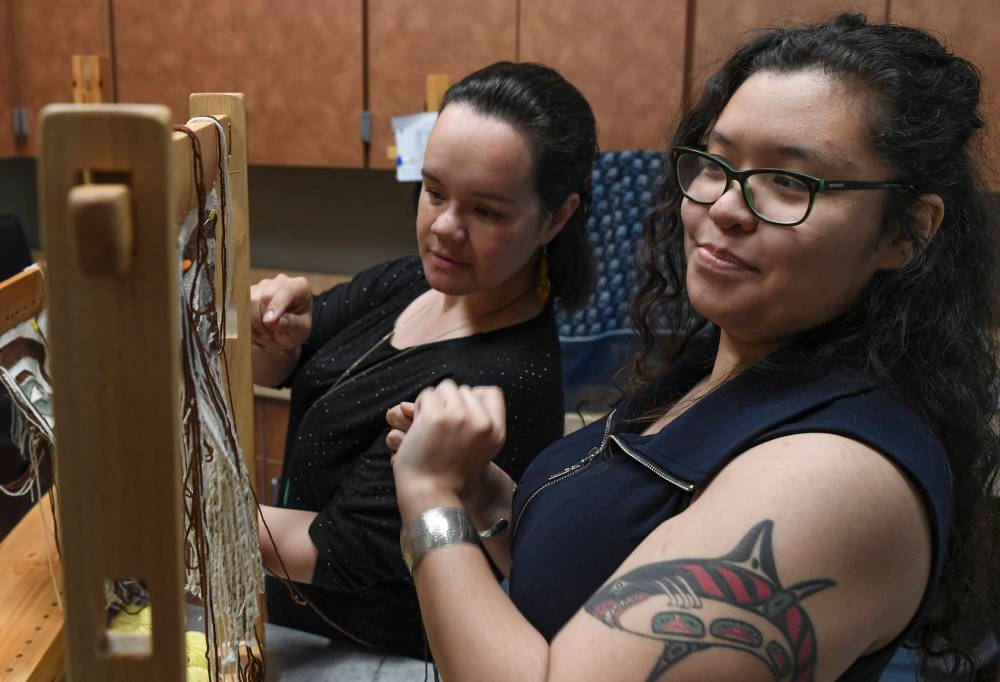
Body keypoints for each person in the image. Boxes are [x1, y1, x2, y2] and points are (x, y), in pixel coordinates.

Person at [386, 14, 1000, 681]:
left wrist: (430, 497)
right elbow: (595, 581)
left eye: (791, 182)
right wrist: (485, 499)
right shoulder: (723, 370)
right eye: (717, 162)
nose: (727, 206)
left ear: (905, 233)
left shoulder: (837, 475)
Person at [249, 61, 599, 657]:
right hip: (293, 609)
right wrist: (272, 331)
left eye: (486, 212)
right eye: (434, 192)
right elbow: (286, 363)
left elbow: (334, 548)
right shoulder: (419, 282)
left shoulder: (500, 381)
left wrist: (176, 506)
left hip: (361, 651)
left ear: (557, 216)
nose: (444, 228)